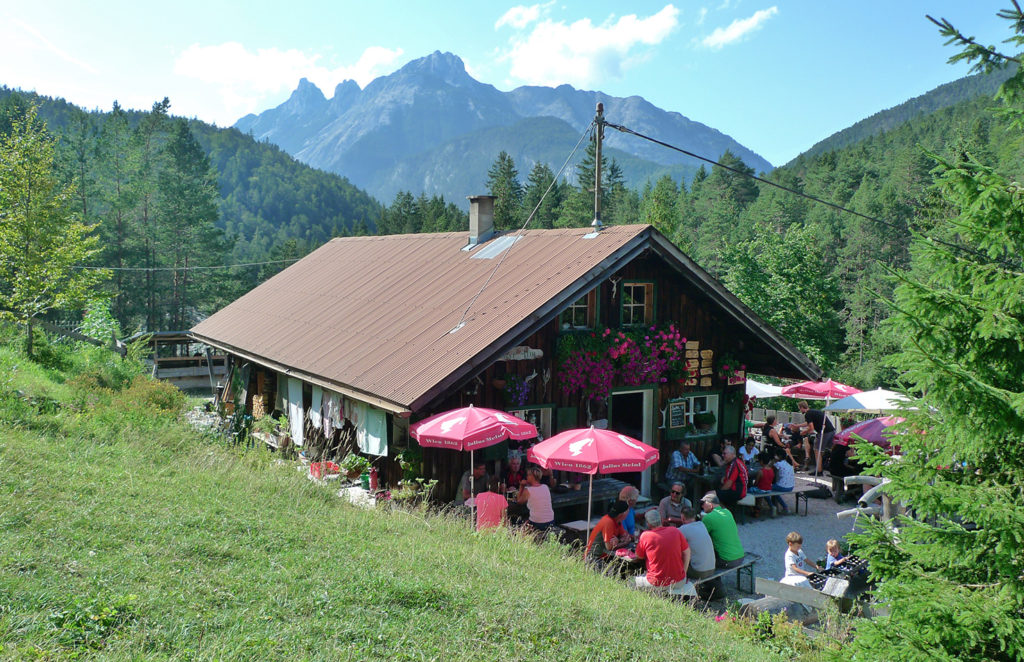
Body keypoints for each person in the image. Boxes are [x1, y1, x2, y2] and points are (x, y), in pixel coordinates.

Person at [634, 510, 690, 590]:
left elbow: (638, 556)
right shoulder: (675, 531)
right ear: (661, 520)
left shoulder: (645, 535)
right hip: (679, 581)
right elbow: (687, 552)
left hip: (656, 583)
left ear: (648, 523)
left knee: (631, 581)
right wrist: (684, 572)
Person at [699, 494, 745, 568]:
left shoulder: (708, 518)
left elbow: (700, 537)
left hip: (727, 561)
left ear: (710, 505)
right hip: (740, 557)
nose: (702, 506)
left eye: (703, 504)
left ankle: (713, 579)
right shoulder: (728, 512)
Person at [797, 400, 836, 476]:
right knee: (831, 449)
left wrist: (804, 432)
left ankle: (819, 470)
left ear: (802, 407)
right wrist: (798, 426)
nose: (800, 410)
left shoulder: (808, 414)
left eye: (799, 408)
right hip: (831, 430)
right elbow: (808, 423)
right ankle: (833, 468)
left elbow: (811, 428)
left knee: (817, 450)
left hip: (824, 432)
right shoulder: (813, 411)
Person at [586, 500, 631, 564]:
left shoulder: (617, 521)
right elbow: (609, 547)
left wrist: (619, 540)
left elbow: (625, 536)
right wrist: (624, 543)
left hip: (605, 557)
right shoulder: (608, 522)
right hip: (594, 559)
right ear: (623, 514)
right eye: (628, 510)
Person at [678, 507, 716, 580]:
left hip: (698, 572)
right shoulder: (702, 525)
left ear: (682, 518)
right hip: (712, 569)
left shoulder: (683, 529)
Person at [516, 466, 555, 533]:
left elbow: (519, 501)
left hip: (537, 523)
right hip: (551, 521)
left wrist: (521, 486)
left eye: (528, 475)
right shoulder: (545, 487)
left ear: (532, 477)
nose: (527, 477)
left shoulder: (528, 490)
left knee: (519, 523)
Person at [746, 451, 775, 517]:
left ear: (761, 461)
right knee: (759, 493)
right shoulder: (771, 470)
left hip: (761, 490)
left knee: (747, 491)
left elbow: (756, 483)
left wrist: (752, 486)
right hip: (768, 489)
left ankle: (752, 509)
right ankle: (758, 508)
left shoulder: (760, 471)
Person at [770, 447, 795, 515]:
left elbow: (769, 466)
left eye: (776, 455)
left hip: (782, 486)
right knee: (773, 491)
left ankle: (773, 507)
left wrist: (774, 460)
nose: (775, 456)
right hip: (791, 486)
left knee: (765, 489)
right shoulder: (789, 463)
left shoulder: (778, 464)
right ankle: (784, 507)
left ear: (779, 456)